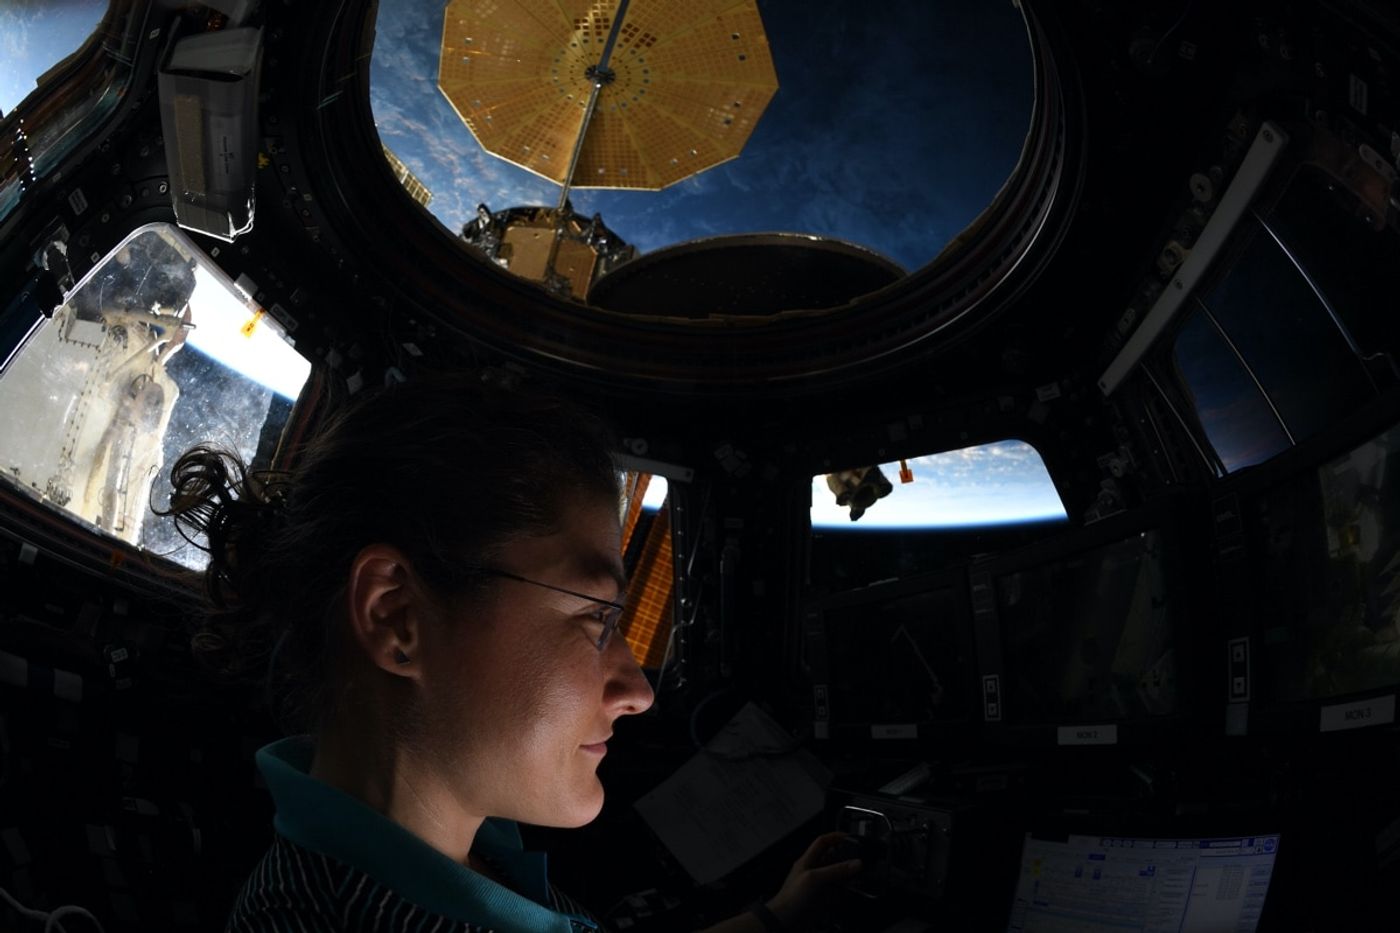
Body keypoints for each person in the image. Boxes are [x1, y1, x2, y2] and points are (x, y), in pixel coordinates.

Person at [162, 372, 859, 933]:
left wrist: (777, 914)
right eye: (595, 615)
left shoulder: (464, 848)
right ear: (396, 616)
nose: (638, 690)